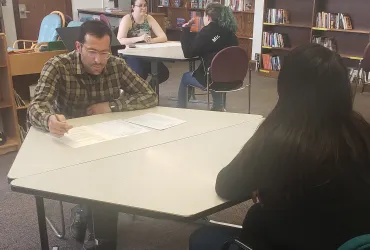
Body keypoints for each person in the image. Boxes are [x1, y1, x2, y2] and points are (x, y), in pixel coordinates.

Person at [189, 44, 370, 250]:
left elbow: (227, 185)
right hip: (351, 239)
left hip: (293, 239)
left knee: (201, 239)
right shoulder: (361, 130)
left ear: (286, 87)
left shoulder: (281, 137)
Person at [28, 20, 158, 250]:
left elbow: (149, 96)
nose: (99, 60)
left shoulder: (115, 65)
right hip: (71, 144)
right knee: (100, 180)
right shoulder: (58, 65)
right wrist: (48, 119)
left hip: (109, 141)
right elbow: (36, 106)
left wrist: (111, 106)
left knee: (109, 175)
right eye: (92, 52)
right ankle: (95, 225)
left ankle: (95, 228)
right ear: (78, 47)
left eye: (104, 53)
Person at [178, 3, 238, 111]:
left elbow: (188, 53)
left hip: (212, 78)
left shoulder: (207, 32)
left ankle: (180, 110)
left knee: (185, 77)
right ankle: (218, 106)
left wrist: (185, 29)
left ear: (208, 17)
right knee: (218, 69)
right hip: (233, 76)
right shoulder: (230, 31)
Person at [117, 0, 169, 87]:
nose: (143, 8)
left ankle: (148, 89)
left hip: (147, 53)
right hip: (132, 55)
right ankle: (139, 91)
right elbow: (120, 40)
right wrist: (139, 38)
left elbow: (163, 37)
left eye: (145, 5)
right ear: (133, 7)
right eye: (140, 5)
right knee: (140, 73)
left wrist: (151, 40)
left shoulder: (149, 18)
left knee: (163, 73)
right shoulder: (127, 19)